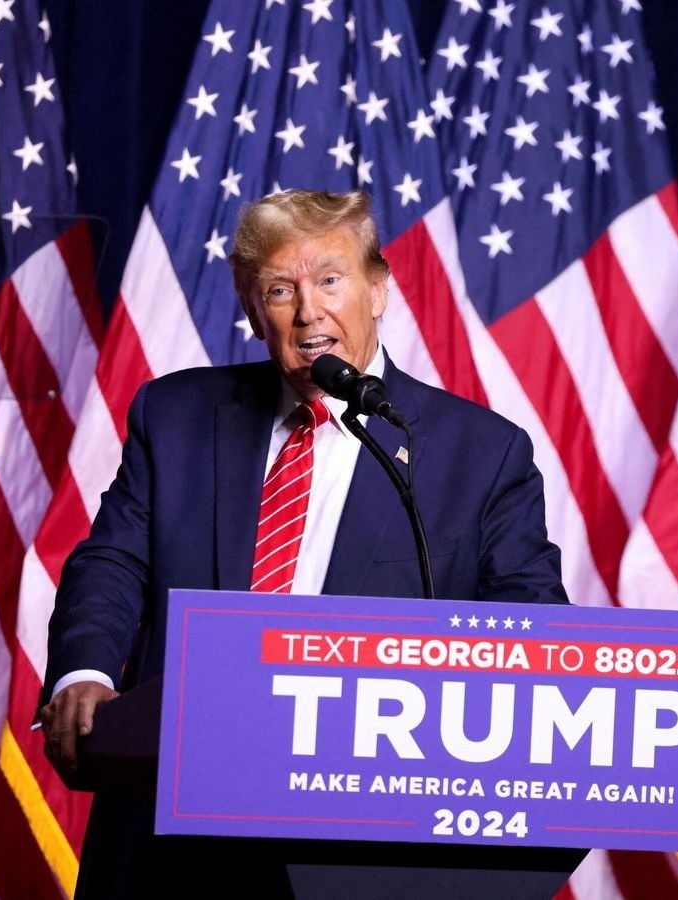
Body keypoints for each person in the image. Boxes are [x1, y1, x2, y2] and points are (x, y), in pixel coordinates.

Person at [39, 189, 568, 896]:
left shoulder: (481, 454)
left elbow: (530, 630)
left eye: (329, 280)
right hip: (174, 831)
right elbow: (111, 561)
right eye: (280, 289)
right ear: (254, 309)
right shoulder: (174, 416)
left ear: (378, 290)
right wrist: (86, 674)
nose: (309, 311)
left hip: (363, 846)